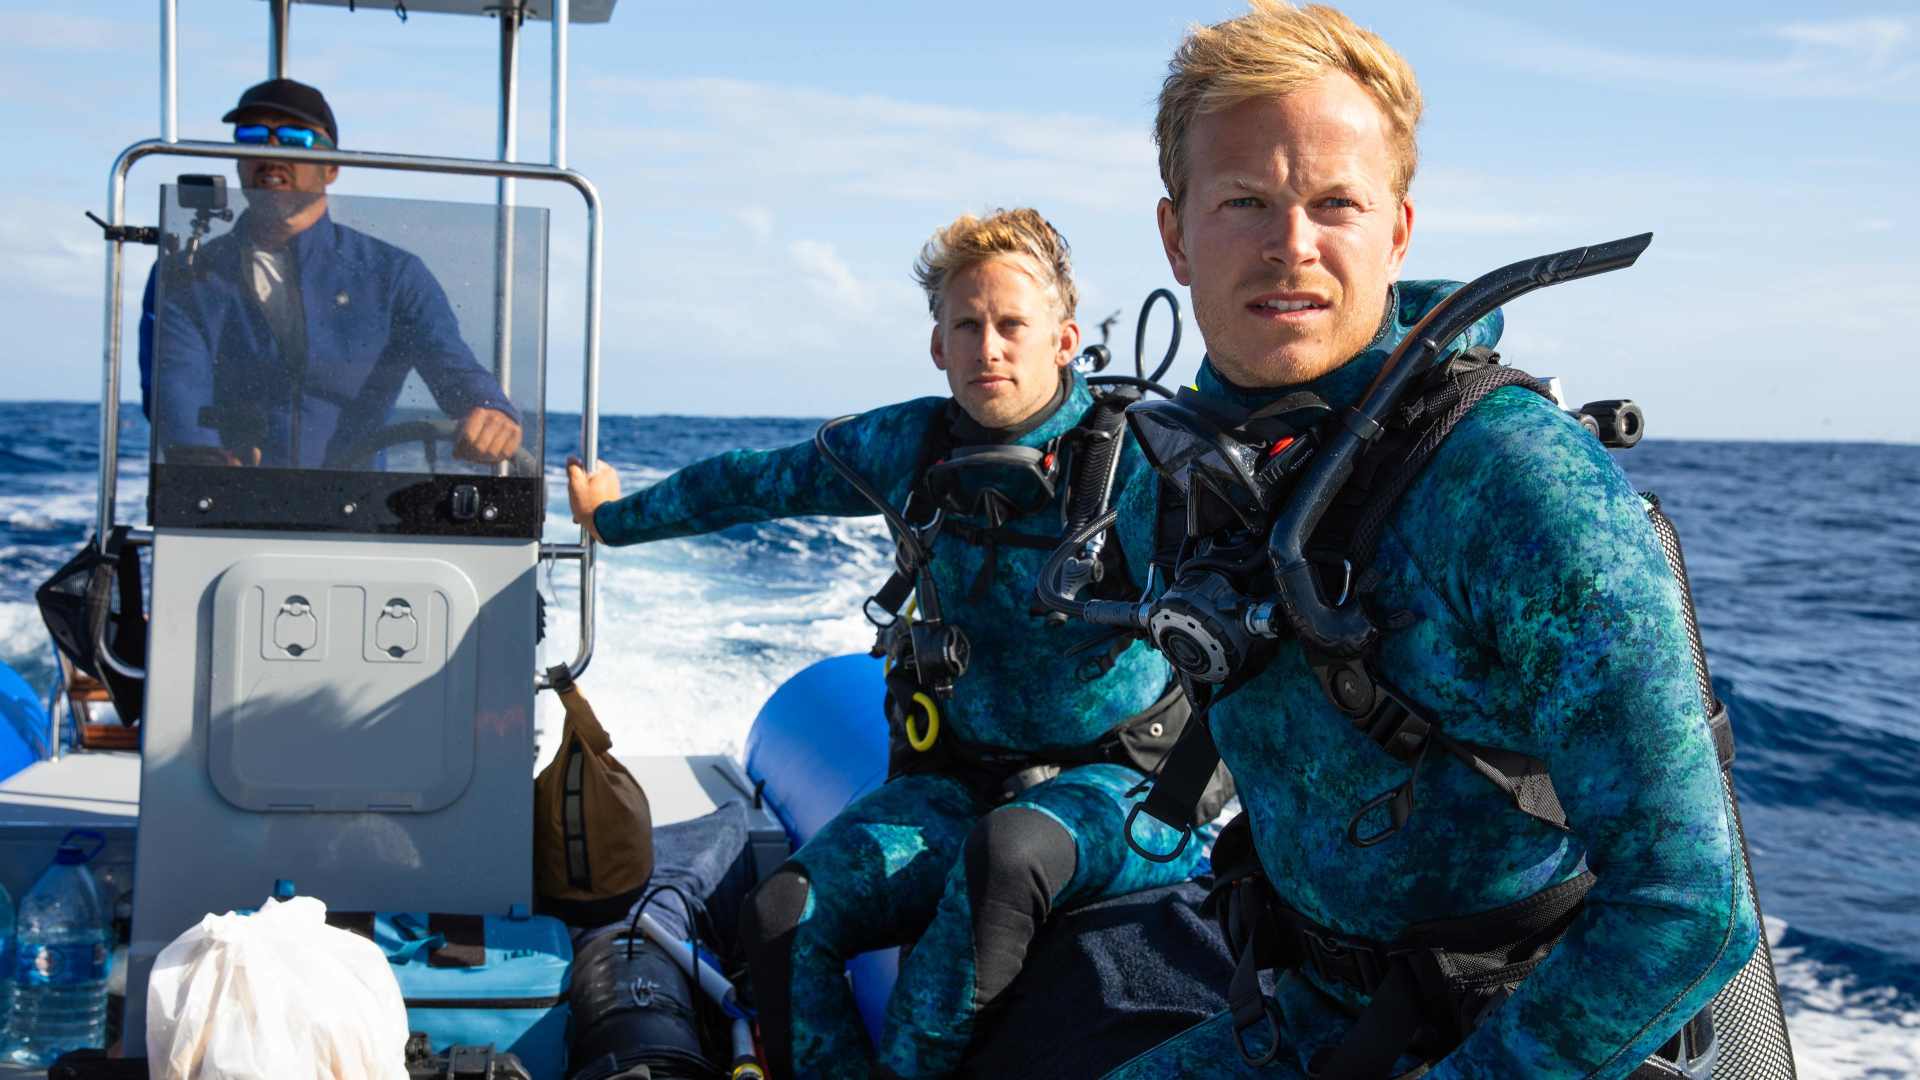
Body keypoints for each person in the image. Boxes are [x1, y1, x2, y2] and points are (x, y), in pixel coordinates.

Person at [1091, 3, 1765, 1077]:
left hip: (1526, 1039)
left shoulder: (1515, 482)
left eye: (1336, 203)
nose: (1291, 246)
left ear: (1397, 230)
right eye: (1245, 201)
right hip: (1306, 1015)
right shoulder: (1166, 487)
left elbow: (1688, 908)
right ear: (1177, 234)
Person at [567, 209, 1223, 1078]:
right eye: (967, 325)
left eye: (1012, 325)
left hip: (1125, 791)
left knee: (1009, 853)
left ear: (1064, 339)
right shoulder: (909, 447)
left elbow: (1250, 603)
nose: (989, 348)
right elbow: (753, 483)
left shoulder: (1142, 464)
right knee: (782, 913)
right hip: (956, 780)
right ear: (938, 346)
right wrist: (612, 519)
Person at [139, 78, 522, 469]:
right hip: (223, 493)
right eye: (251, 137)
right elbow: (176, 388)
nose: (269, 152)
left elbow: (450, 363)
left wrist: (489, 409)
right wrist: (206, 460)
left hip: (356, 499)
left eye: (295, 139)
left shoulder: (392, 275)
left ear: (332, 168)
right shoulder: (189, 276)